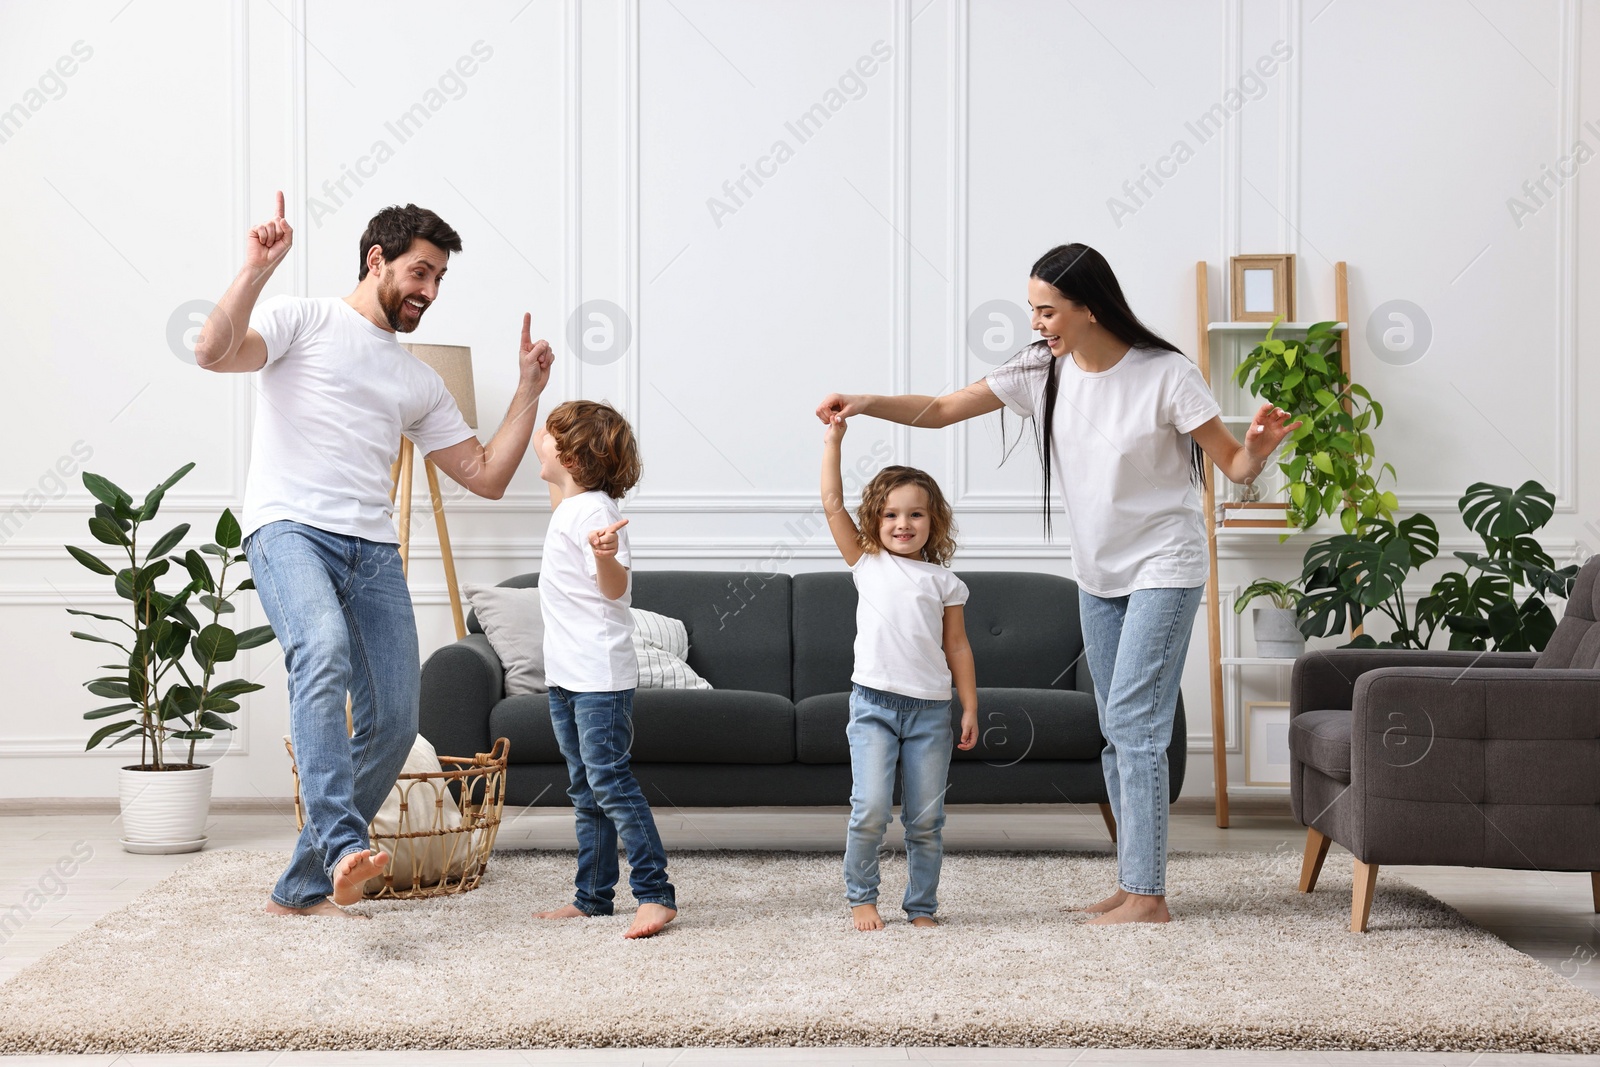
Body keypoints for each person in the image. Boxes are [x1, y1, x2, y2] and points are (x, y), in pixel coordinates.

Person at [815, 243, 1299, 925]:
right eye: (1033, 310)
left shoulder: (1166, 374)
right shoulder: (1042, 370)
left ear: (1089, 307)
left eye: (1048, 310)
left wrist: (1261, 446)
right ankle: (1133, 882)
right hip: (1098, 573)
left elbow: (1235, 466)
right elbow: (946, 408)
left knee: (1135, 721)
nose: (1037, 323)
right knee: (1115, 725)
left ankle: (1149, 893)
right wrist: (866, 403)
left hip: (1166, 564)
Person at [194, 193, 554, 916]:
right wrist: (256, 268)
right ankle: (341, 841)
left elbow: (484, 475)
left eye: (440, 279)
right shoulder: (302, 319)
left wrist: (527, 392)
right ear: (376, 260)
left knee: (394, 719)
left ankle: (303, 885)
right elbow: (211, 352)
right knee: (320, 648)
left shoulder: (416, 378)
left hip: (372, 554)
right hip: (289, 529)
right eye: (420, 271)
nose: (429, 290)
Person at [821, 413, 978, 931]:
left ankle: (921, 907)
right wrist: (835, 440)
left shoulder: (945, 582)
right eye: (890, 515)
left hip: (931, 712)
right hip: (872, 706)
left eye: (915, 515)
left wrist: (969, 706)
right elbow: (830, 503)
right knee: (869, 810)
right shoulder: (867, 564)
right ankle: (862, 897)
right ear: (875, 521)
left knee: (926, 821)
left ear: (933, 522)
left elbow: (957, 647)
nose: (902, 525)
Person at [528, 400, 677, 939]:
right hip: (567, 675)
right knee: (585, 788)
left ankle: (656, 894)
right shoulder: (569, 503)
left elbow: (616, 592)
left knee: (610, 783)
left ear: (571, 456)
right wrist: (531, 394)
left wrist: (606, 556)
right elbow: (546, 459)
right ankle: (592, 897)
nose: (538, 444)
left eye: (547, 437)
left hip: (598, 678)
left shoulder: (595, 512)